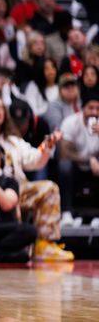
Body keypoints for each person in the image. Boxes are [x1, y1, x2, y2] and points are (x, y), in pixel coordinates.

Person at [0, 95, 74, 261]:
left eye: (0, 107)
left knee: (49, 188)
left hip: (17, 188)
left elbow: (34, 161)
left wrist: (47, 147)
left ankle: (44, 244)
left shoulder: (13, 141)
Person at [58, 92, 99, 226]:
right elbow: (64, 153)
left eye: (98, 109)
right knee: (64, 166)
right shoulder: (71, 122)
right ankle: (67, 213)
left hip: (96, 168)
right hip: (77, 167)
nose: (94, 112)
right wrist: (89, 160)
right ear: (83, 109)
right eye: (90, 108)